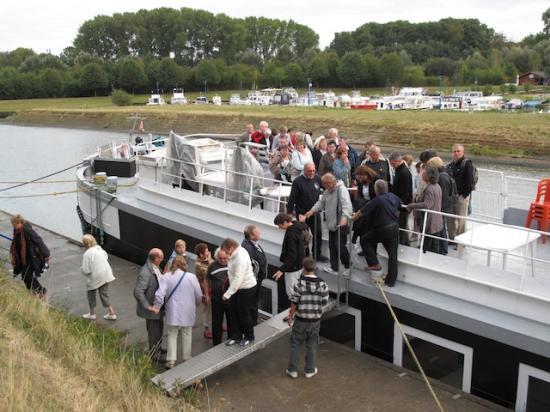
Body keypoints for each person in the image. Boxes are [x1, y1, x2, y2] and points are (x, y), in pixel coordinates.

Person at [150, 256, 202, 369]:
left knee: (172, 335)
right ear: (185, 265)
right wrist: (197, 303)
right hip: (188, 311)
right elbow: (199, 294)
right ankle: (187, 357)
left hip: (172, 311)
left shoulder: (166, 277)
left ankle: (171, 361)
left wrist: (157, 306)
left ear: (172, 264)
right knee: (187, 333)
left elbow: (159, 294)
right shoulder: (191, 277)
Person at [286, 257, 329, 379]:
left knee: (295, 344)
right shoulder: (323, 285)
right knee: (311, 345)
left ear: (303, 269)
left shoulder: (299, 284)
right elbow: (324, 302)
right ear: (315, 268)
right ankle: (309, 370)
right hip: (315, 321)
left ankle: (292, 370)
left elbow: (294, 302)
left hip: (300, 320)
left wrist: (290, 316)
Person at [301, 174, 353, 275]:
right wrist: (311, 211)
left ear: (330, 183)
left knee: (340, 246)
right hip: (331, 223)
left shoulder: (341, 190)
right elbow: (321, 203)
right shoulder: (328, 190)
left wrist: (344, 218)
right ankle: (334, 267)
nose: (323, 187)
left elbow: (347, 205)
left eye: (324, 184)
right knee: (332, 246)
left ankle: (348, 266)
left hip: (340, 224)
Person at [352, 180, 401, 287]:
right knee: (393, 255)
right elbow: (400, 207)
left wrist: (353, 218)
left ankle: (374, 264)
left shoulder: (376, 200)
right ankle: (391, 281)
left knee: (365, 240)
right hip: (394, 228)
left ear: (376, 189)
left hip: (383, 229)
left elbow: (362, 212)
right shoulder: (393, 196)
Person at [287, 162, 326, 261]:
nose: (312, 172)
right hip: (302, 213)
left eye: (313, 170)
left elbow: (327, 188)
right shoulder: (298, 181)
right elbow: (292, 198)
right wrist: (289, 214)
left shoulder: (317, 178)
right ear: (304, 170)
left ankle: (317, 254)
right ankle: (306, 254)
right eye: (309, 171)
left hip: (314, 212)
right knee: (304, 236)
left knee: (318, 234)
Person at [221, 238, 257, 347]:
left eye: (227, 252)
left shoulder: (240, 257)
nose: (227, 255)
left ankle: (249, 336)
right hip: (236, 288)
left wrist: (227, 294)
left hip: (246, 288)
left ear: (231, 247)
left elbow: (238, 278)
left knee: (243, 314)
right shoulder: (235, 253)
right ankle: (236, 336)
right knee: (233, 312)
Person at [9, 214, 50, 298]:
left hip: (31, 258)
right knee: (25, 276)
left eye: (15, 224)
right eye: (13, 224)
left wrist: (46, 254)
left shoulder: (27, 230)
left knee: (27, 276)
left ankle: (40, 292)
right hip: (23, 258)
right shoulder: (17, 230)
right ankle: (37, 292)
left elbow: (39, 241)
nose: (14, 226)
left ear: (20, 222)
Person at [134, 248, 165, 357]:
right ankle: (153, 355)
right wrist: (148, 306)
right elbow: (138, 291)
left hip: (158, 307)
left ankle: (158, 348)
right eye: (161, 257)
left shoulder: (155, 268)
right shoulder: (145, 272)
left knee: (159, 329)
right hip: (152, 309)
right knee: (153, 332)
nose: (162, 259)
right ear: (156, 258)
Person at [406, 166, 443, 254]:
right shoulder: (437, 186)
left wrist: (412, 205)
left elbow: (427, 205)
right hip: (436, 221)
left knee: (427, 247)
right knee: (434, 245)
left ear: (428, 176)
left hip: (430, 222)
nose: (422, 174)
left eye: (424, 173)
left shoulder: (430, 188)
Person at [273, 213, 306, 308]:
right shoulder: (296, 225)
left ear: (284, 222)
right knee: (298, 288)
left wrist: (281, 270)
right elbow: (303, 225)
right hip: (300, 264)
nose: (279, 228)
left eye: (279, 225)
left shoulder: (291, 235)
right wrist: (303, 221)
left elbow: (292, 256)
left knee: (291, 292)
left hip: (293, 268)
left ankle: (294, 313)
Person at [80, 234, 117, 320]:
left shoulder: (87, 254)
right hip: (105, 274)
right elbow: (106, 257)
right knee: (104, 294)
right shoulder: (99, 249)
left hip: (95, 276)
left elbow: (86, 270)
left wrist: (81, 269)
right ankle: (111, 313)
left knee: (91, 293)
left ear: (85, 244)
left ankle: (92, 314)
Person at [427, 157, 456, 255]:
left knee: (442, 228)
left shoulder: (442, 177)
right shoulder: (445, 173)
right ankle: (442, 248)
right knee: (442, 227)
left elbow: (442, 194)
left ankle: (443, 249)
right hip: (445, 206)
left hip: (443, 207)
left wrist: (438, 207)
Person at [447, 144, 475, 241]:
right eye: (454, 151)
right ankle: (451, 239)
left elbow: (470, 182)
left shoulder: (467, 164)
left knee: (461, 219)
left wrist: (464, 195)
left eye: (458, 151)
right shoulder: (450, 165)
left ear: (462, 152)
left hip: (461, 197)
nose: (456, 153)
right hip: (451, 196)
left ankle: (461, 241)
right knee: (450, 218)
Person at [241, 224, 268, 326]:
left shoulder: (254, 243)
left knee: (254, 300)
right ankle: (252, 322)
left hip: (257, 279)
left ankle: (253, 320)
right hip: (253, 281)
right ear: (251, 235)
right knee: (252, 302)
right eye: (257, 232)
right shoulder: (247, 248)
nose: (260, 233)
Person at [205, 248, 232, 346]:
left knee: (231, 321)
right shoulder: (212, 266)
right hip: (216, 299)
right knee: (216, 323)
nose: (223, 260)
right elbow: (206, 280)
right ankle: (216, 344)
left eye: (225, 258)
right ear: (217, 257)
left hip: (230, 300)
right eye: (221, 258)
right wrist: (207, 294)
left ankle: (231, 340)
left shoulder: (233, 264)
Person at [389, 152, 413, 246]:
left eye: (393, 163)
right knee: (403, 226)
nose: (391, 165)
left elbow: (405, 193)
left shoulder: (404, 173)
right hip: (400, 204)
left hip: (403, 205)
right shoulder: (400, 170)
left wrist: (399, 208)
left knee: (402, 226)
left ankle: (403, 245)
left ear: (399, 161)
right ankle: (405, 243)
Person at [352, 165, 380, 246]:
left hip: (373, 207)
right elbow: (360, 194)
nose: (359, 179)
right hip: (363, 206)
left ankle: (371, 248)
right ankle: (364, 247)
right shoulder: (360, 181)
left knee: (370, 230)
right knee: (362, 228)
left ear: (367, 175)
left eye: (361, 177)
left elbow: (378, 195)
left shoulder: (377, 180)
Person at [194, 243, 213, 339]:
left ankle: (219, 324)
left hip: (213, 289)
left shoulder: (207, 260)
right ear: (201, 254)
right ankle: (206, 329)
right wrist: (209, 259)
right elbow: (209, 271)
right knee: (207, 310)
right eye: (206, 251)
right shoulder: (198, 264)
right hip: (205, 291)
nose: (208, 252)